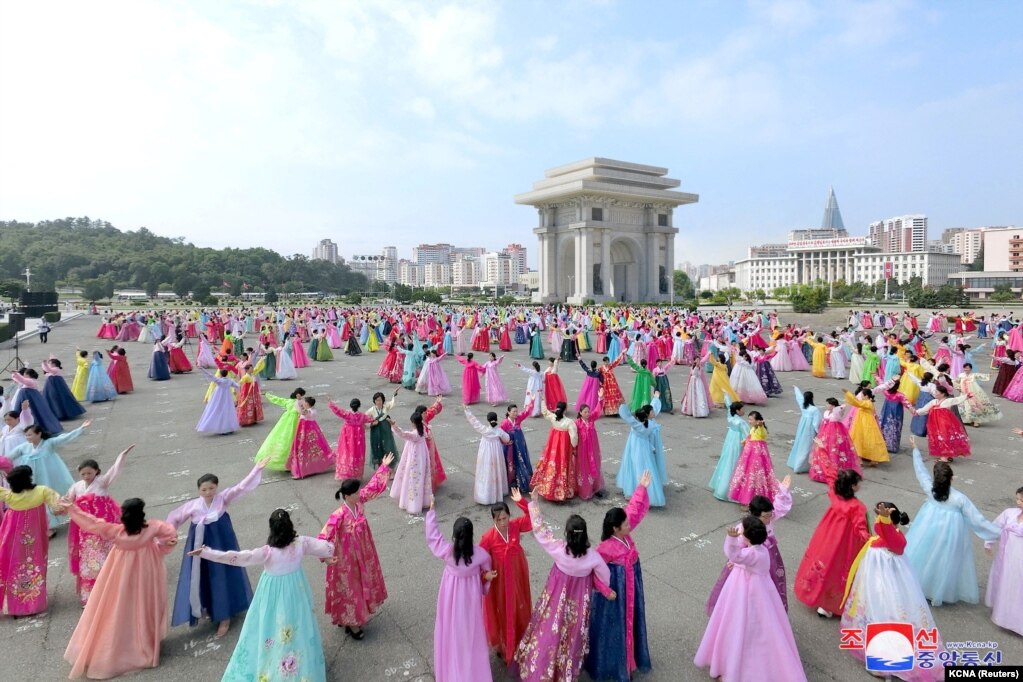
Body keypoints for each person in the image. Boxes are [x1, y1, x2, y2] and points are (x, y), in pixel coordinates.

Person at [189, 509, 335, 682]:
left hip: (271, 594)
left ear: (272, 529)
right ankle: (299, 665)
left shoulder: (267, 552)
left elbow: (236, 558)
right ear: (289, 526)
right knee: (298, 624)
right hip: (296, 591)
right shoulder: (300, 543)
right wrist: (329, 552)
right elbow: (324, 546)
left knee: (269, 625)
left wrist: (206, 552)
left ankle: (273, 659)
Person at [63, 498, 179, 679]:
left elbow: (91, 523)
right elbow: (170, 535)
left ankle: (115, 645)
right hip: (147, 569)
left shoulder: (116, 531)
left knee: (117, 606)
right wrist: (162, 546)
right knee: (144, 603)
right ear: (142, 513)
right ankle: (144, 642)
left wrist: (71, 508)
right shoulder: (153, 527)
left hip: (119, 571)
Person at [513, 490, 615, 681]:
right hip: (578, 605)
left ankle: (541, 668)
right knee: (571, 638)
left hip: (555, 599)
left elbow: (541, 531)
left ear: (567, 534)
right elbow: (605, 578)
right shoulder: (593, 557)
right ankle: (564, 673)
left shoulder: (559, 550)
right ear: (585, 535)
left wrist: (533, 504)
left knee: (548, 630)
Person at [840, 501, 945, 681]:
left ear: (890, 521)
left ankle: (884, 665)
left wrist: (884, 520)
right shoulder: (884, 537)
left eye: (881, 518)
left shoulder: (895, 539)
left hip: (886, 586)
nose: (877, 520)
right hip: (875, 583)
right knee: (875, 617)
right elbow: (881, 532)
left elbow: (889, 535)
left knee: (885, 617)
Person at [693, 518, 807, 682]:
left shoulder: (750, 553)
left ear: (747, 538)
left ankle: (734, 670)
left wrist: (731, 539)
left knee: (740, 624)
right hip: (761, 588)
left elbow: (734, 554)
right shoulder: (762, 551)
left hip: (745, 590)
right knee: (761, 625)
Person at [167, 459, 268, 638]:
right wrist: (168, 536)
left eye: (211, 488)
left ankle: (224, 616)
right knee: (203, 575)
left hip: (222, 541)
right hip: (200, 544)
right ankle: (208, 607)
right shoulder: (193, 506)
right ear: (199, 490)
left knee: (221, 574)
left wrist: (256, 469)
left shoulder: (223, 498)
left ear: (217, 487)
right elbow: (174, 518)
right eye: (204, 490)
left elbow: (241, 487)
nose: (208, 492)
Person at [904, 442, 999, 606]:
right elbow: (977, 519)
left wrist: (915, 450)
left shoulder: (929, 488)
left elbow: (920, 472)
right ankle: (938, 589)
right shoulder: (959, 498)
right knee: (944, 559)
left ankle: (920, 583)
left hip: (927, 526)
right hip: (950, 532)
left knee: (925, 552)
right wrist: (998, 532)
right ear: (951, 478)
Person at [586, 471, 652, 682]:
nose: (629, 525)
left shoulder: (624, 533)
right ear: (615, 529)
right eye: (624, 525)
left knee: (631, 623)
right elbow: (593, 574)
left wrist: (641, 488)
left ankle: (630, 659)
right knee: (615, 629)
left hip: (632, 587)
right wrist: (607, 591)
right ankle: (615, 666)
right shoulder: (604, 549)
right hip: (616, 595)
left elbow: (632, 510)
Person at [319, 455, 393, 639]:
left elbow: (372, 488)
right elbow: (323, 536)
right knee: (349, 587)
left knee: (360, 583)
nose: (360, 494)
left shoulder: (359, 504)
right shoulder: (338, 515)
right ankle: (352, 624)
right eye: (356, 493)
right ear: (347, 496)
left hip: (363, 551)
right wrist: (325, 556)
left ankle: (352, 618)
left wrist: (383, 467)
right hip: (346, 557)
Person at [425, 500, 495, 682]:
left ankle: (452, 670)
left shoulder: (448, 553)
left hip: (450, 596)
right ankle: (473, 672)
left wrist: (432, 511)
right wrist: (486, 579)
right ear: (471, 536)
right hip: (470, 598)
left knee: (450, 630)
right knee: (471, 632)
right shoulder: (480, 555)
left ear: (455, 537)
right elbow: (487, 572)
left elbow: (434, 537)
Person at [708, 476, 793, 613]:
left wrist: (783, 490)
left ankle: (770, 611)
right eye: (766, 516)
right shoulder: (744, 527)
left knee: (772, 584)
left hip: (770, 557)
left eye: (770, 515)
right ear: (755, 514)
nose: (770, 518)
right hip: (750, 561)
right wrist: (733, 560)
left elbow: (780, 507)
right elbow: (738, 548)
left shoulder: (769, 519)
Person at [793, 467, 870, 618]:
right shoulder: (857, 506)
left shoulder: (835, 494)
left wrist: (822, 450)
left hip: (828, 535)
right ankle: (830, 605)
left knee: (824, 563)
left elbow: (829, 475)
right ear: (853, 486)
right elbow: (860, 529)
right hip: (846, 542)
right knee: (840, 568)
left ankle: (818, 598)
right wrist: (873, 540)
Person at [64, 445, 132, 605]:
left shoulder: (102, 482)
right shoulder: (76, 486)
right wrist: (62, 504)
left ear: (97, 471)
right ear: (79, 473)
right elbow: (68, 499)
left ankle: (114, 587)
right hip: (85, 527)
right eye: (83, 473)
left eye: (90, 472)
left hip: (103, 523)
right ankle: (91, 595)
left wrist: (121, 455)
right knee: (89, 555)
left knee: (107, 550)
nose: (87, 476)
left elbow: (114, 470)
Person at [0, 466, 67, 616]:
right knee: (35, 563)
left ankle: (16, 605)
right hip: (36, 538)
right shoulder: (41, 491)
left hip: (13, 538)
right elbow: (57, 505)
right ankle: (34, 602)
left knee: (14, 566)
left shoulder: (10, 496)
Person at [479, 488, 533, 667]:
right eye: (498, 519)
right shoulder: (487, 538)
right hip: (501, 582)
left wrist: (522, 502)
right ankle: (506, 646)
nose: (503, 522)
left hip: (518, 575)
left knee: (520, 605)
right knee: (504, 611)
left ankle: (521, 640)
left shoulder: (515, 526)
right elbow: (478, 560)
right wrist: (485, 575)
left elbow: (533, 520)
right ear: (493, 520)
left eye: (505, 518)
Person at [8, 420, 91, 531]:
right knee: (39, 498)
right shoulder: (24, 447)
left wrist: (81, 428)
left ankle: (76, 515)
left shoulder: (49, 443)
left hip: (51, 474)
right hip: (33, 478)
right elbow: (8, 457)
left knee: (57, 493)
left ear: (39, 434)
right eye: (26, 435)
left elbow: (64, 438)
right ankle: (48, 524)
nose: (27, 437)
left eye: (30, 435)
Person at [985, 485, 1023, 636]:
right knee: (1008, 585)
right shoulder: (1009, 514)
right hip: (1008, 557)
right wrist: (989, 542)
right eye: (1017, 499)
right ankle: (1005, 616)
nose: (1018, 502)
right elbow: (995, 526)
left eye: (1022, 500)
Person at [617, 394, 667, 507]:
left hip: (636, 447)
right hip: (645, 447)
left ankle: (634, 491)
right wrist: (655, 398)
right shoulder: (649, 424)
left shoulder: (637, 426)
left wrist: (623, 405)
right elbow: (653, 409)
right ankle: (648, 492)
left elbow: (627, 417)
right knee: (646, 468)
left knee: (635, 466)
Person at [530, 400, 578, 501]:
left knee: (550, 464)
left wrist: (543, 400)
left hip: (552, 446)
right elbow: (574, 438)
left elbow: (545, 412)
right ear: (565, 409)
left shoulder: (553, 418)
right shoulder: (569, 422)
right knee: (562, 465)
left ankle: (547, 487)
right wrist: (574, 446)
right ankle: (562, 490)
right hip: (563, 448)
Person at [728, 411, 779, 505]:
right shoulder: (753, 428)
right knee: (747, 474)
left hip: (757, 456)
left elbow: (761, 433)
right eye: (749, 419)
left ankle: (753, 500)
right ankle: (747, 498)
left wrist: (760, 425)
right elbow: (751, 436)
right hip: (749, 454)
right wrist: (746, 440)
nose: (749, 421)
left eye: (751, 419)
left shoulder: (761, 429)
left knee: (755, 475)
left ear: (757, 421)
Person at [909, 385, 971, 460]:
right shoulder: (933, 402)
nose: (935, 393)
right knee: (939, 438)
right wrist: (916, 412)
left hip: (945, 423)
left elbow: (957, 399)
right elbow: (925, 409)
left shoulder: (947, 401)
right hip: (935, 424)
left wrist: (966, 396)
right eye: (935, 391)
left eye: (937, 392)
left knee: (945, 438)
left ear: (943, 394)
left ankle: (944, 457)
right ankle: (948, 455)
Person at [464, 406, 511, 505]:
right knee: (497, 470)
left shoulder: (484, 430)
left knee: (486, 471)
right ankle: (498, 492)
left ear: (488, 420)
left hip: (486, 453)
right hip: (497, 453)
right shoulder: (499, 431)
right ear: (497, 419)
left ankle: (486, 495)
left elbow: (474, 422)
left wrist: (467, 411)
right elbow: (507, 438)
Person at [808, 398, 860, 483]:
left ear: (832, 406)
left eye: (828, 404)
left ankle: (835, 471)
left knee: (834, 451)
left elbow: (841, 408)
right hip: (825, 433)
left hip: (835, 434)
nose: (826, 405)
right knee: (823, 449)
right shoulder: (826, 412)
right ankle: (822, 470)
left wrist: (841, 406)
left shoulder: (836, 413)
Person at [390, 412, 432, 514]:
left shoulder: (415, 434)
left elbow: (403, 434)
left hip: (415, 458)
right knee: (421, 478)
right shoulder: (422, 430)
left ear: (414, 423)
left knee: (413, 479)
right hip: (422, 456)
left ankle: (413, 504)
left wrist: (393, 425)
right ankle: (424, 501)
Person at [709, 397, 749, 501]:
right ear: (737, 410)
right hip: (738, 443)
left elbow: (728, 407)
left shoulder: (730, 418)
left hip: (730, 442)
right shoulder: (741, 422)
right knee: (736, 463)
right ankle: (732, 490)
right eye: (742, 409)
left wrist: (727, 399)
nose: (744, 411)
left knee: (727, 461)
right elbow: (748, 436)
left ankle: (721, 487)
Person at [327, 397, 375, 480]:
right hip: (359, 439)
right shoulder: (362, 416)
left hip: (347, 438)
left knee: (347, 453)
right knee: (357, 454)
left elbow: (337, 411)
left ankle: (346, 473)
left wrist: (330, 403)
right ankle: (356, 474)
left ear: (351, 406)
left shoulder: (347, 414)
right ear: (359, 406)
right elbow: (372, 419)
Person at [257, 389, 305, 471]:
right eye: (302, 395)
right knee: (293, 440)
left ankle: (286, 461)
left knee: (285, 440)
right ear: (298, 395)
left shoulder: (289, 401)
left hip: (286, 423)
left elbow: (277, 399)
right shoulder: (299, 403)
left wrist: (267, 394)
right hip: (296, 422)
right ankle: (292, 462)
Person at [288, 396, 334, 479]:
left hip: (306, 433)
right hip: (308, 431)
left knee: (303, 449)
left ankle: (302, 471)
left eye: (305, 402)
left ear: (308, 404)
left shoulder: (308, 412)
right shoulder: (311, 410)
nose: (303, 403)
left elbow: (302, 411)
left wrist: (297, 402)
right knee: (308, 450)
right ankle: (309, 468)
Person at [500, 397, 535, 493]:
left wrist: (532, 400)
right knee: (511, 463)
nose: (516, 413)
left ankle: (523, 481)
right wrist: (505, 443)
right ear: (508, 412)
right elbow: (499, 435)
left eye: (516, 411)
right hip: (510, 447)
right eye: (513, 411)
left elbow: (527, 411)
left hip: (520, 445)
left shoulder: (518, 419)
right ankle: (512, 482)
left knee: (522, 461)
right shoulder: (504, 423)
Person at [195, 368, 240, 435]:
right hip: (227, 398)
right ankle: (229, 427)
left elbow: (209, 375)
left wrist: (202, 369)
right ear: (227, 374)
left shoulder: (219, 381)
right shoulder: (230, 381)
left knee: (218, 410)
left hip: (218, 398)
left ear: (220, 374)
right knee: (228, 411)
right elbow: (237, 385)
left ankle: (222, 428)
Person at [786, 387, 821, 474]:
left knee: (800, 444)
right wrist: (819, 432)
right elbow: (816, 423)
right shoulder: (814, 409)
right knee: (807, 447)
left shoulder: (803, 406)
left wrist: (796, 389)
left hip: (802, 428)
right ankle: (801, 466)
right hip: (809, 430)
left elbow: (799, 398)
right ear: (812, 398)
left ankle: (796, 463)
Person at [575, 403, 605, 500]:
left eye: (588, 411)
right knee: (584, 469)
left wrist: (600, 399)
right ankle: (584, 490)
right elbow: (573, 437)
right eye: (585, 412)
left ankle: (596, 488)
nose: (588, 413)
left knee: (595, 466)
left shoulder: (591, 419)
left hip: (593, 449)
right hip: (582, 451)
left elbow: (597, 410)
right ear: (580, 413)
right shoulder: (576, 423)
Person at [366, 389, 400, 469]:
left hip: (385, 427)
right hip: (376, 429)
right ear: (374, 401)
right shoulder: (371, 410)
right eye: (377, 400)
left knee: (388, 444)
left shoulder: (385, 406)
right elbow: (365, 419)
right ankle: (380, 465)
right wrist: (372, 423)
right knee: (377, 445)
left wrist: (394, 395)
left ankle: (390, 466)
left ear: (383, 400)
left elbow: (392, 403)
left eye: (380, 400)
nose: (378, 402)